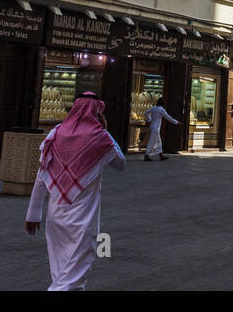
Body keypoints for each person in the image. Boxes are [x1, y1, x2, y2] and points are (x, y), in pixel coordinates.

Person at [25, 92, 126, 290]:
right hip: (82, 217)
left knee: (61, 271)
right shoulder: (100, 137)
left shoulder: (56, 133)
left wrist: (33, 214)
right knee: (73, 276)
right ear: (97, 111)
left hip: (56, 215)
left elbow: (41, 175)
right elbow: (120, 164)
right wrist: (106, 130)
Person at [142, 97, 179, 162]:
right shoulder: (161, 110)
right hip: (156, 129)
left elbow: (145, 113)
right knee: (151, 142)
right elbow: (168, 117)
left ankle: (161, 155)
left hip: (152, 127)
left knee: (159, 143)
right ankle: (146, 155)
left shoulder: (153, 108)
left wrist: (149, 119)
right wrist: (176, 122)